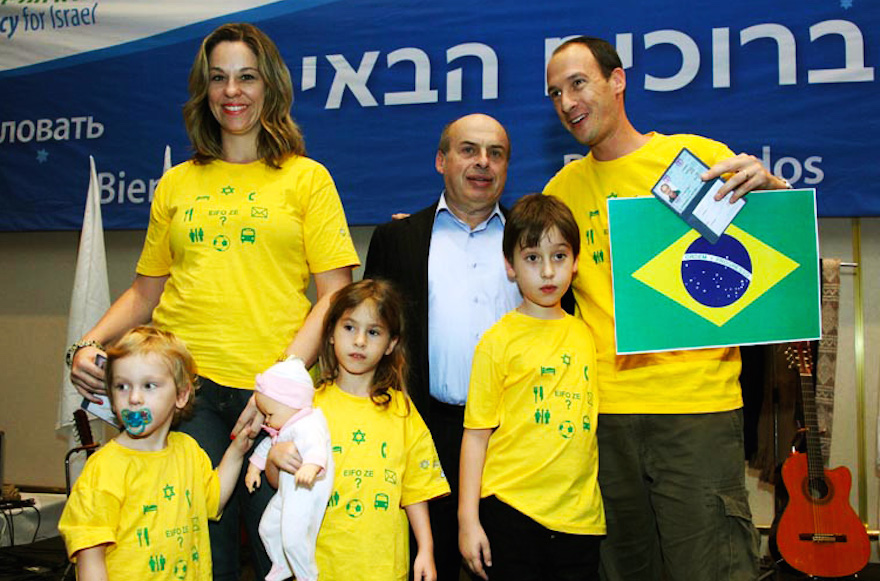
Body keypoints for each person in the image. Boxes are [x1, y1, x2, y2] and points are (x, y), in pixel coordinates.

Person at [65, 22, 359, 580]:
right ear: (204, 90)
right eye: (218, 78)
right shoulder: (176, 184)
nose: (232, 92)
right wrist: (87, 343)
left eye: (247, 77)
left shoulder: (308, 180)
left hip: (275, 407)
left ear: (270, 86)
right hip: (186, 398)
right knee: (198, 558)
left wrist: (278, 384)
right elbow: (145, 292)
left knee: (285, 555)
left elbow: (336, 296)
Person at [543, 36, 791, 581]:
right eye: (555, 92)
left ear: (617, 80)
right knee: (624, 568)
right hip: (603, 417)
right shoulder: (561, 190)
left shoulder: (695, 160)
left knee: (713, 566)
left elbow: (777, 254)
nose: (566, 102)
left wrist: (772, 189)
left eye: (578, 83)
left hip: (696, 410)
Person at [363, 113, 520, 579]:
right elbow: (370, 337)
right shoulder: (396, 240)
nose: (483, 163)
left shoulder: (529, 242)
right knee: (424, 566)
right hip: (422, 433)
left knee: (505, 565)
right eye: (469, 150)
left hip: (511, 441)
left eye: (496, 153)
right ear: (441, 160)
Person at [458, 194, 604, 581]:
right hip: (510, 511)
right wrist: (467, 520)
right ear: (510, 266)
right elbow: (475, 436)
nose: (547, 272)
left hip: (580, 520)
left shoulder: (588, 333)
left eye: (559, 256)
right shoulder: (497, 340)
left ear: (575, 263)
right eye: (532, 258)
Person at [274, 279, 449, 581]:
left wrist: (426, 550)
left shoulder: (402, 411)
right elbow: (279, 484)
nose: (359, 342)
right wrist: (277, 456)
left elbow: (416, 490)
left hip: (383, 568)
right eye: (349, 328)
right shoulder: (308, 407)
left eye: (373, 332)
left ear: (391, 344)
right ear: (330, 334)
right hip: (319, 567)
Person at [59, 327, 254, 581]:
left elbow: (213, 500)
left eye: (149, 385)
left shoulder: (188, 450)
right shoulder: (103, 469)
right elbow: (90, 553)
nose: (134, 398)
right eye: (122, 386)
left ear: (181, 395)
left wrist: (237, 452)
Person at [245, 357, 333, 581]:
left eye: (269, 414)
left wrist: (311, 466)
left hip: (306, 490)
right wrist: (254, 468)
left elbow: (316, 446)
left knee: (294, 538)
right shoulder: (286, 426)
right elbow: (268, 445)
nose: (266, 421)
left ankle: (307, 576)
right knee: (267, 528)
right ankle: (282, 564)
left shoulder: (308, 423)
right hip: (288, 491)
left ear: (291, 403)